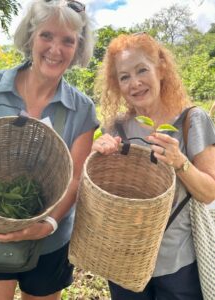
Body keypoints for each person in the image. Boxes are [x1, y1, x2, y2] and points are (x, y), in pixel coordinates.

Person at [92, 32, 215, 300]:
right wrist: (97, 154)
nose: (134, 83)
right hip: (124, 263)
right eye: (124, 77)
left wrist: (180, 162)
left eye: (141, 70)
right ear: (117, 84)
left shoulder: (191, 121)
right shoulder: (116, 128)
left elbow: (209, 192)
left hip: (178, 266)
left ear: (160, 69)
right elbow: (98, 192)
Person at [0, 0, 99, 299]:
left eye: (68, 40)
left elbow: (76, 178)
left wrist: (48, 224)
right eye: (47, 35)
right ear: (30, 37)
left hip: (49, 243)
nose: (56, 49)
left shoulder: (82, 109)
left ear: (77, 49)